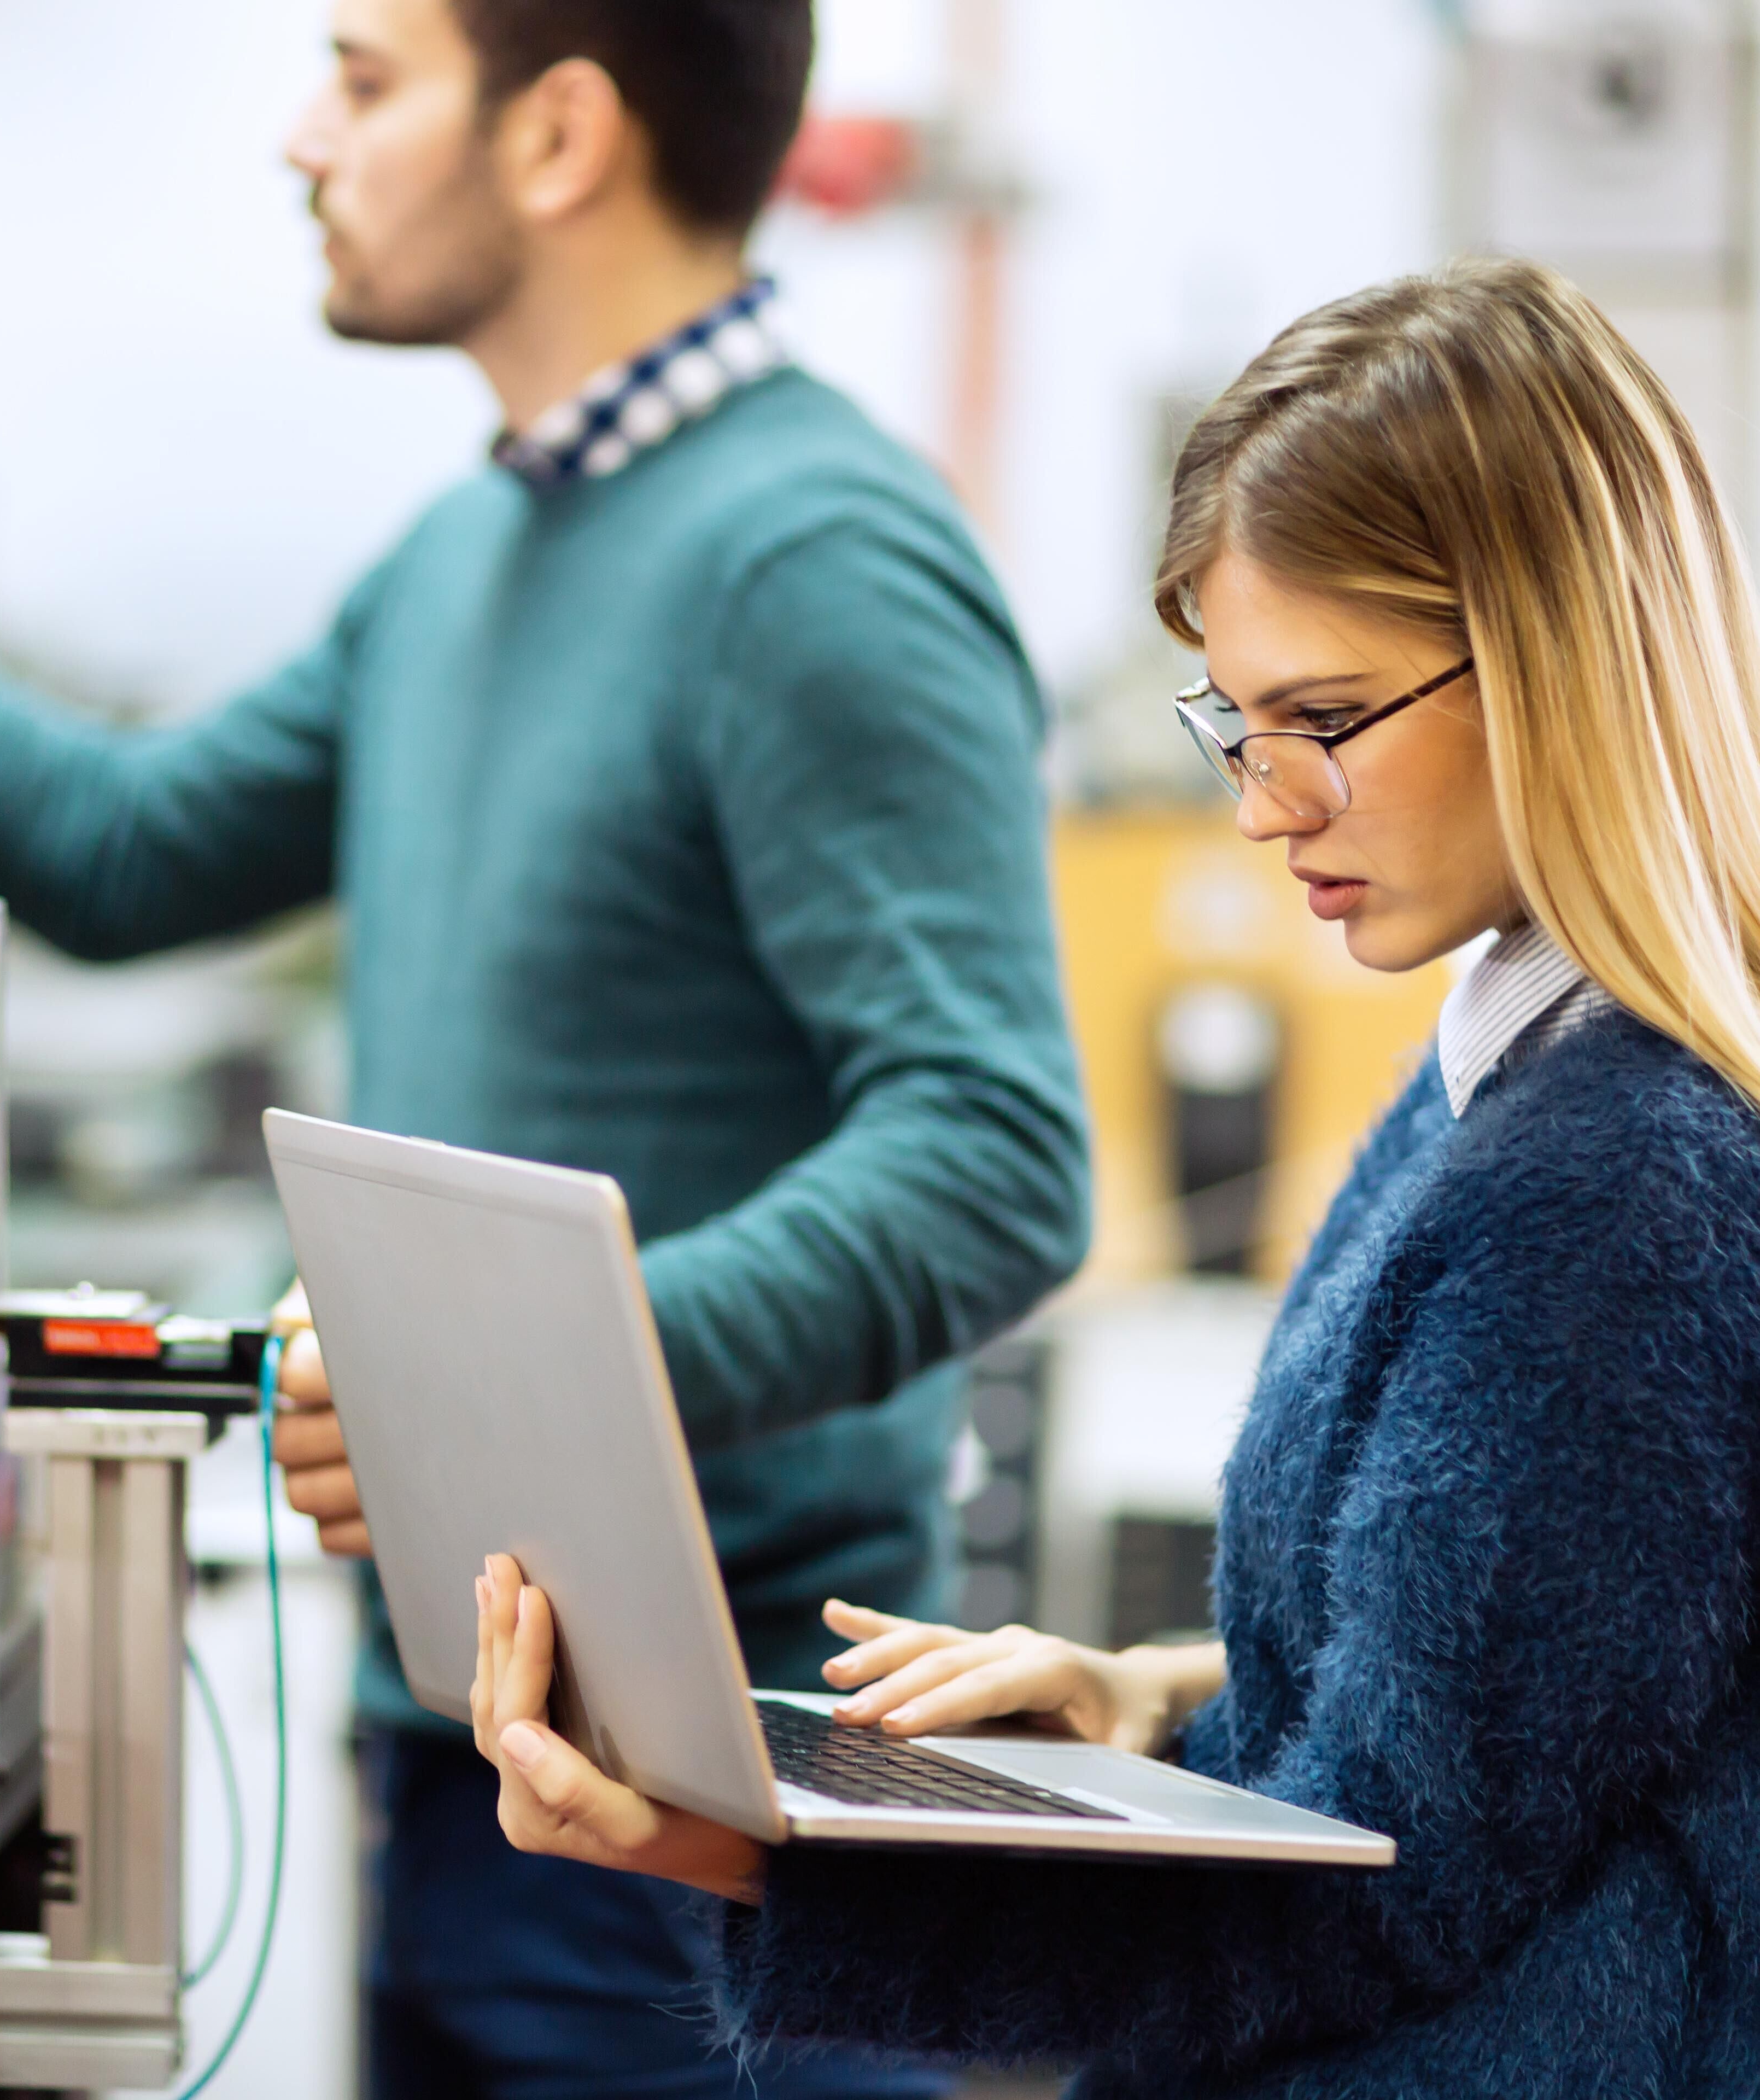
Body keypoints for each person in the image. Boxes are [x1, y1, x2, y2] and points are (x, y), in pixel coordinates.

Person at [0, 1, 1089, 2091]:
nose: (304, 140)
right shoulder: (469, 552)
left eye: (368, 75)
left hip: (715, 1827)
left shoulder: (817, 559)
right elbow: (123, 850)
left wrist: (489, 1388)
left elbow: (990, 1153)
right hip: (462, 1763)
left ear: (561, 134)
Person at [467, 253, 1760, 2098]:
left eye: (1324, 721)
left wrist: (739, 1855)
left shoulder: (1621, 1190)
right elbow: (1481, 1729)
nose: (1262, 804)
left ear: (1560, 652)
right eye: (1234, 723)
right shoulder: (1509, 1074)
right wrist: (1145, 1700)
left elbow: (1378, 1897)